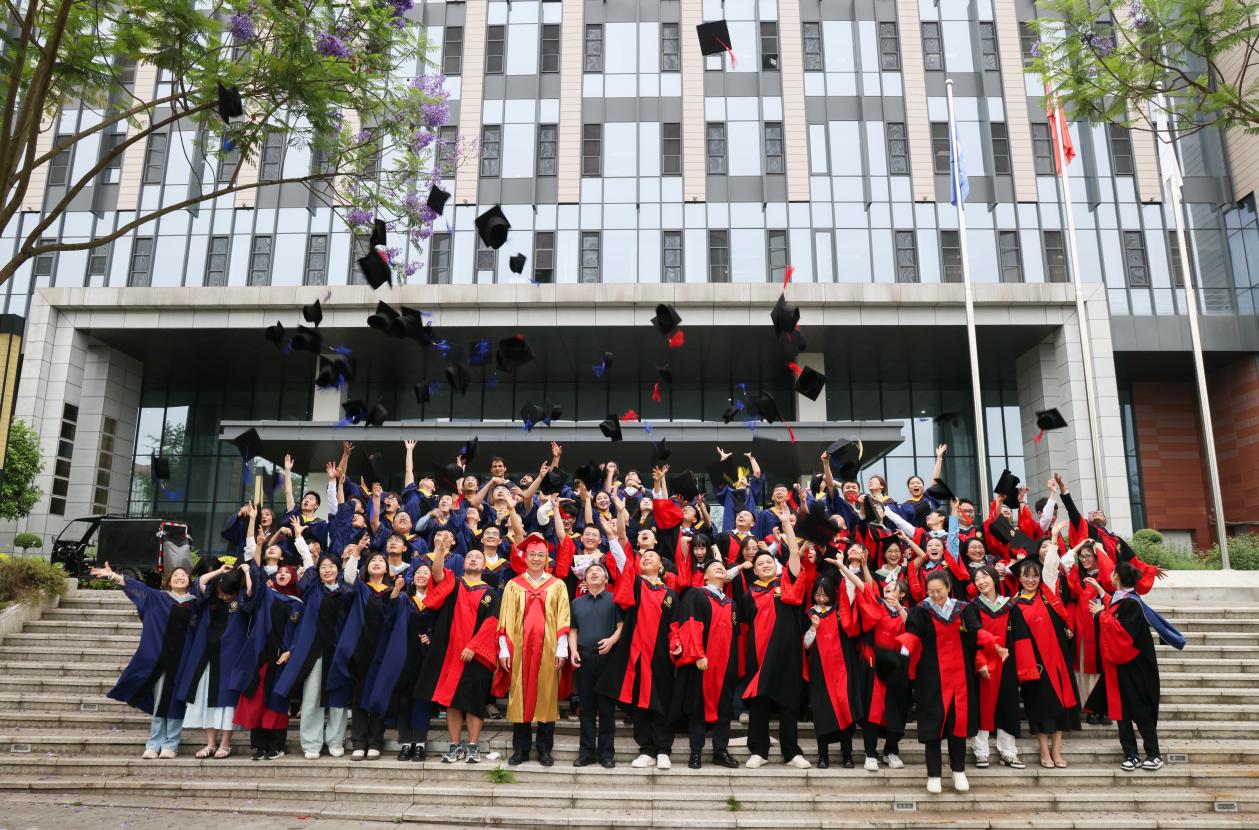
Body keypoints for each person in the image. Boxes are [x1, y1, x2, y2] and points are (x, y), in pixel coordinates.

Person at [898, 571, 1007, 794]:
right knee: (933, 726)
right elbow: (913, 634)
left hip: (960, 677)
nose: (935, 595)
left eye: (939, 591)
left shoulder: (964, 609)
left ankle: (959, 771)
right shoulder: (921, 610)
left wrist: (993, 644)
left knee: (958, 725)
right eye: (931, 592)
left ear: (949, 588)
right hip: (931, 678)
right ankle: (934, 775)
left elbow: (977, 631)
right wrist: (904, 647)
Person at [91, 561, 195, 759]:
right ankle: (154, 743)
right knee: (159, 702)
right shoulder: (158, 598)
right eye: (175, 575)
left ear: (190, 581)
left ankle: (171, 744)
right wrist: (113, 576)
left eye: (184, 575)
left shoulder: (196, 603)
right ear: (168, 581)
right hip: (159, 659)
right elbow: (137, 588)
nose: (180, 577)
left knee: (176, 702)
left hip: (183, 660)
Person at [415, 538, 501, 764]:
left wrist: (474, 646)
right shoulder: (453, 584)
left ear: (484, 565)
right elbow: (437, 574)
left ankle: (472, 746)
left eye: (478, 557)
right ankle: (454, 746)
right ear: (463, 563)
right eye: (469, 556)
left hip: (476, 655)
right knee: (451, 701)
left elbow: (492, 623)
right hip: (450, 653)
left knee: (474, 702)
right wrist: (440, 551)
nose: (473, 559)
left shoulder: (491, 593)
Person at [600, 531, 680, 770]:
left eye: (652, 556)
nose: (646, 558)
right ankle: (646, 750)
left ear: (661, 566)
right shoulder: (636, 584)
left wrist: (676, 644)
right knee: (639, 702)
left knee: (662, 701)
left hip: (661, 656)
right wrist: (612, 537)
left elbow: (675, 625)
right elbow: (623, 563)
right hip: (635, 654)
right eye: (643, 557)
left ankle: (663, 750)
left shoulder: (670, 594)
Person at [738, 517, 813, 770]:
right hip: (759, 656)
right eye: (760, 564)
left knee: (788, 704)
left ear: (776, 565)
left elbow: (794, 553)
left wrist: (787, 524)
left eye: (769, 562)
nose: (765, 565)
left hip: (788, 654)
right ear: (755, 570)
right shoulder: (749, 595)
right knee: (759, 704)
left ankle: (791, 753)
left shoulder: (787, 584)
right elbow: (745, 628)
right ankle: (759, 750)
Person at [499, 531, 573, 766]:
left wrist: (562, 649)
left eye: (541, 555)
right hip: (519, 649)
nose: (536, 559)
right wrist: (504, 649)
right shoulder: (513, 585)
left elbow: (563, 617)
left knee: (546, 696)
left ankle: (544, 750)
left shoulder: (558, 585)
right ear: (525, 557)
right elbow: (505, 618)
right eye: (532, 554)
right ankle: (520, 750)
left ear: (547, 558)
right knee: (519, 696)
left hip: (548, 648)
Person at [1086, 562, 1168, 772]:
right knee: (1121, 713)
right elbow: (1114, 608)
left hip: (1134, 668)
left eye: (1113, 572)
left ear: (1116, 577)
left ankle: (1154, 754)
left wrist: (1099, 614)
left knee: (1140, 711)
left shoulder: (1132, 604)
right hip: (1119, 668)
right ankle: (1131, 754)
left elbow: (1121, 631)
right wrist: (1099, 590)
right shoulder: (1125, 599)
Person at [272, 549, 351, 760]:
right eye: (323, 567)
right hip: (315, 651)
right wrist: (309, 553)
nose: (327, 570)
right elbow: (308, 573)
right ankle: (311, 743)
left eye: (331, 566)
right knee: (312, 698)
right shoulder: (313, 589)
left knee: (337, 699)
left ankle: (335, 741)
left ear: (339, 569)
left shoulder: (347, 591)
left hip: (338, 651)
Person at [328, 543, 404, 760]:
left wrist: (395, 592)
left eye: (381, 561)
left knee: (379, 694)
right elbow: (348, 578)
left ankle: (375, 742)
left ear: (388, 569)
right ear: (367, 567)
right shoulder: (360, 588)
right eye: (373, 561)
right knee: (360, 697)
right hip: (361, 651)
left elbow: (393, 619)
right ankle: (359, 742)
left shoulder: (392, 591)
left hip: (383, 652)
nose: (377, 563)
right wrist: (356, 553)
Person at [174, 560, 252, 759]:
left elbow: (252, 591)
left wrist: (246, 571)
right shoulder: (210, 598)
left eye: (227, 593)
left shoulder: (242, 600)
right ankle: (210, 743)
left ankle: (225, 744)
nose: (223, 596)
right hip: (205, 656)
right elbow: (198, 583)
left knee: (226, 701)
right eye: (220, 592)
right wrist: (219, 571)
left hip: (229, 657)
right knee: (205, 698)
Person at [1009, 556, 1080, 769]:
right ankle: (1044, 750)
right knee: (1039, 708)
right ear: (1019, 578)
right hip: (1034, 664)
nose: (1031, 580)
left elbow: (1051, 565)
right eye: (1026, 576)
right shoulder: (1014, 604)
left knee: (1061, 707)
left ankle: (1056, 751)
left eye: (1035, 576)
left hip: (1057, 660)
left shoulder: (1048, 596)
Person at [672, 555, 739, 770]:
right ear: (705, 576)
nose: (719, 568)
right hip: (703, 662)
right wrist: (698, 654)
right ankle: (696, 752)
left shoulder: (731, 603)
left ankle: (720, 751)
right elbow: (691, 625)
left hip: (725, 664)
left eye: (722, 567)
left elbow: (735, 636)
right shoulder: (697, 594)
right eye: (714, 567)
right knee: (698, 707)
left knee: (724, 708)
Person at [366, 562, 438, 761]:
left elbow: (440, 625)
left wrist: (431, 637)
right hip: (405, 654)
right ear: (412, 578)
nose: (422, 575)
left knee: (421, 700)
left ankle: (420, 743)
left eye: (426, 572)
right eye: (418, 572)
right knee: (405, 698)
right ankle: (406, 742)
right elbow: (388, 616)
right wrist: (396, 590)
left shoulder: (436, 602)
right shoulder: (404, 599)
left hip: (425, 657)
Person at [567, 560, 622, 768]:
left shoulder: (614, 599)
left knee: (607, 709)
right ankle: (586, 753)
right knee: (586, 709)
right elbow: (573, 630)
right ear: (584, 579)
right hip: (585, 657)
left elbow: (621, 626)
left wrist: (612, 641)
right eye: (591, 571)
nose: (595, 573)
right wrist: (573, 651)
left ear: (606, 579)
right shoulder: (576, 602)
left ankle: (607, 754)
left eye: (599, 570)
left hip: (608, 658)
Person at [803, 576, 862, 768]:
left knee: (845, 710)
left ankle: (847, 754)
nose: (821, 598)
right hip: (820, 670)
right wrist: (813, 627)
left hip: (842, 668)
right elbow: (806, 644)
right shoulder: (809, 613)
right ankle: (823, 755)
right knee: (822, 712)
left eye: (824, 594)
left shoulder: (839, 612)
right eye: (817, 594)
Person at [971, 565, 1025, 769]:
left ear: (995, 579)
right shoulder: (973, 607)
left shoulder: (1011, 606)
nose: (980, 582)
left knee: (1008, 705)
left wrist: (1023, 668)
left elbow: (1020, 638)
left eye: (984, 577)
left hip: (1007, 664)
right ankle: (981, 751)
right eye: (977, 579)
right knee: (981, 705)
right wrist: (979, 662)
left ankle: (1008, 751)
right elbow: (971, 639)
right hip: (982, 664)